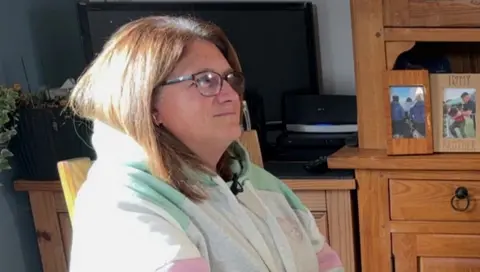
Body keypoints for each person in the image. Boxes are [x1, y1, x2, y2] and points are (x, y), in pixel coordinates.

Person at [68, 16, 343, 272]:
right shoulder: (122, 204)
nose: (231, 95)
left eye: (230, 79)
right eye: (205, 81)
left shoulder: (260, 184)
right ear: (146, 102)